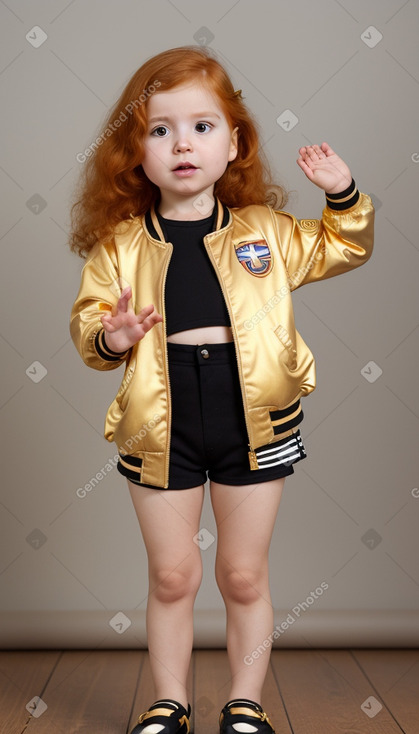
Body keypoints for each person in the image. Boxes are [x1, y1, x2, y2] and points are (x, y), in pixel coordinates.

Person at [69, 45, 374, 734]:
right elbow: (88, 326)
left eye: (202, 126)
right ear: (135, 152)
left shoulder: (263, 233)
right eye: (159, 129)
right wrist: (112, 337)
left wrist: (341, 191)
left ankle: (244, 703)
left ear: (233, 142)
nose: (182, 143)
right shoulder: (118, 244)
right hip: (160, 420)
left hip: (254, 420)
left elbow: (343, 245)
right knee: (173, 576)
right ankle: (167, 703)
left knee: (241, 575)